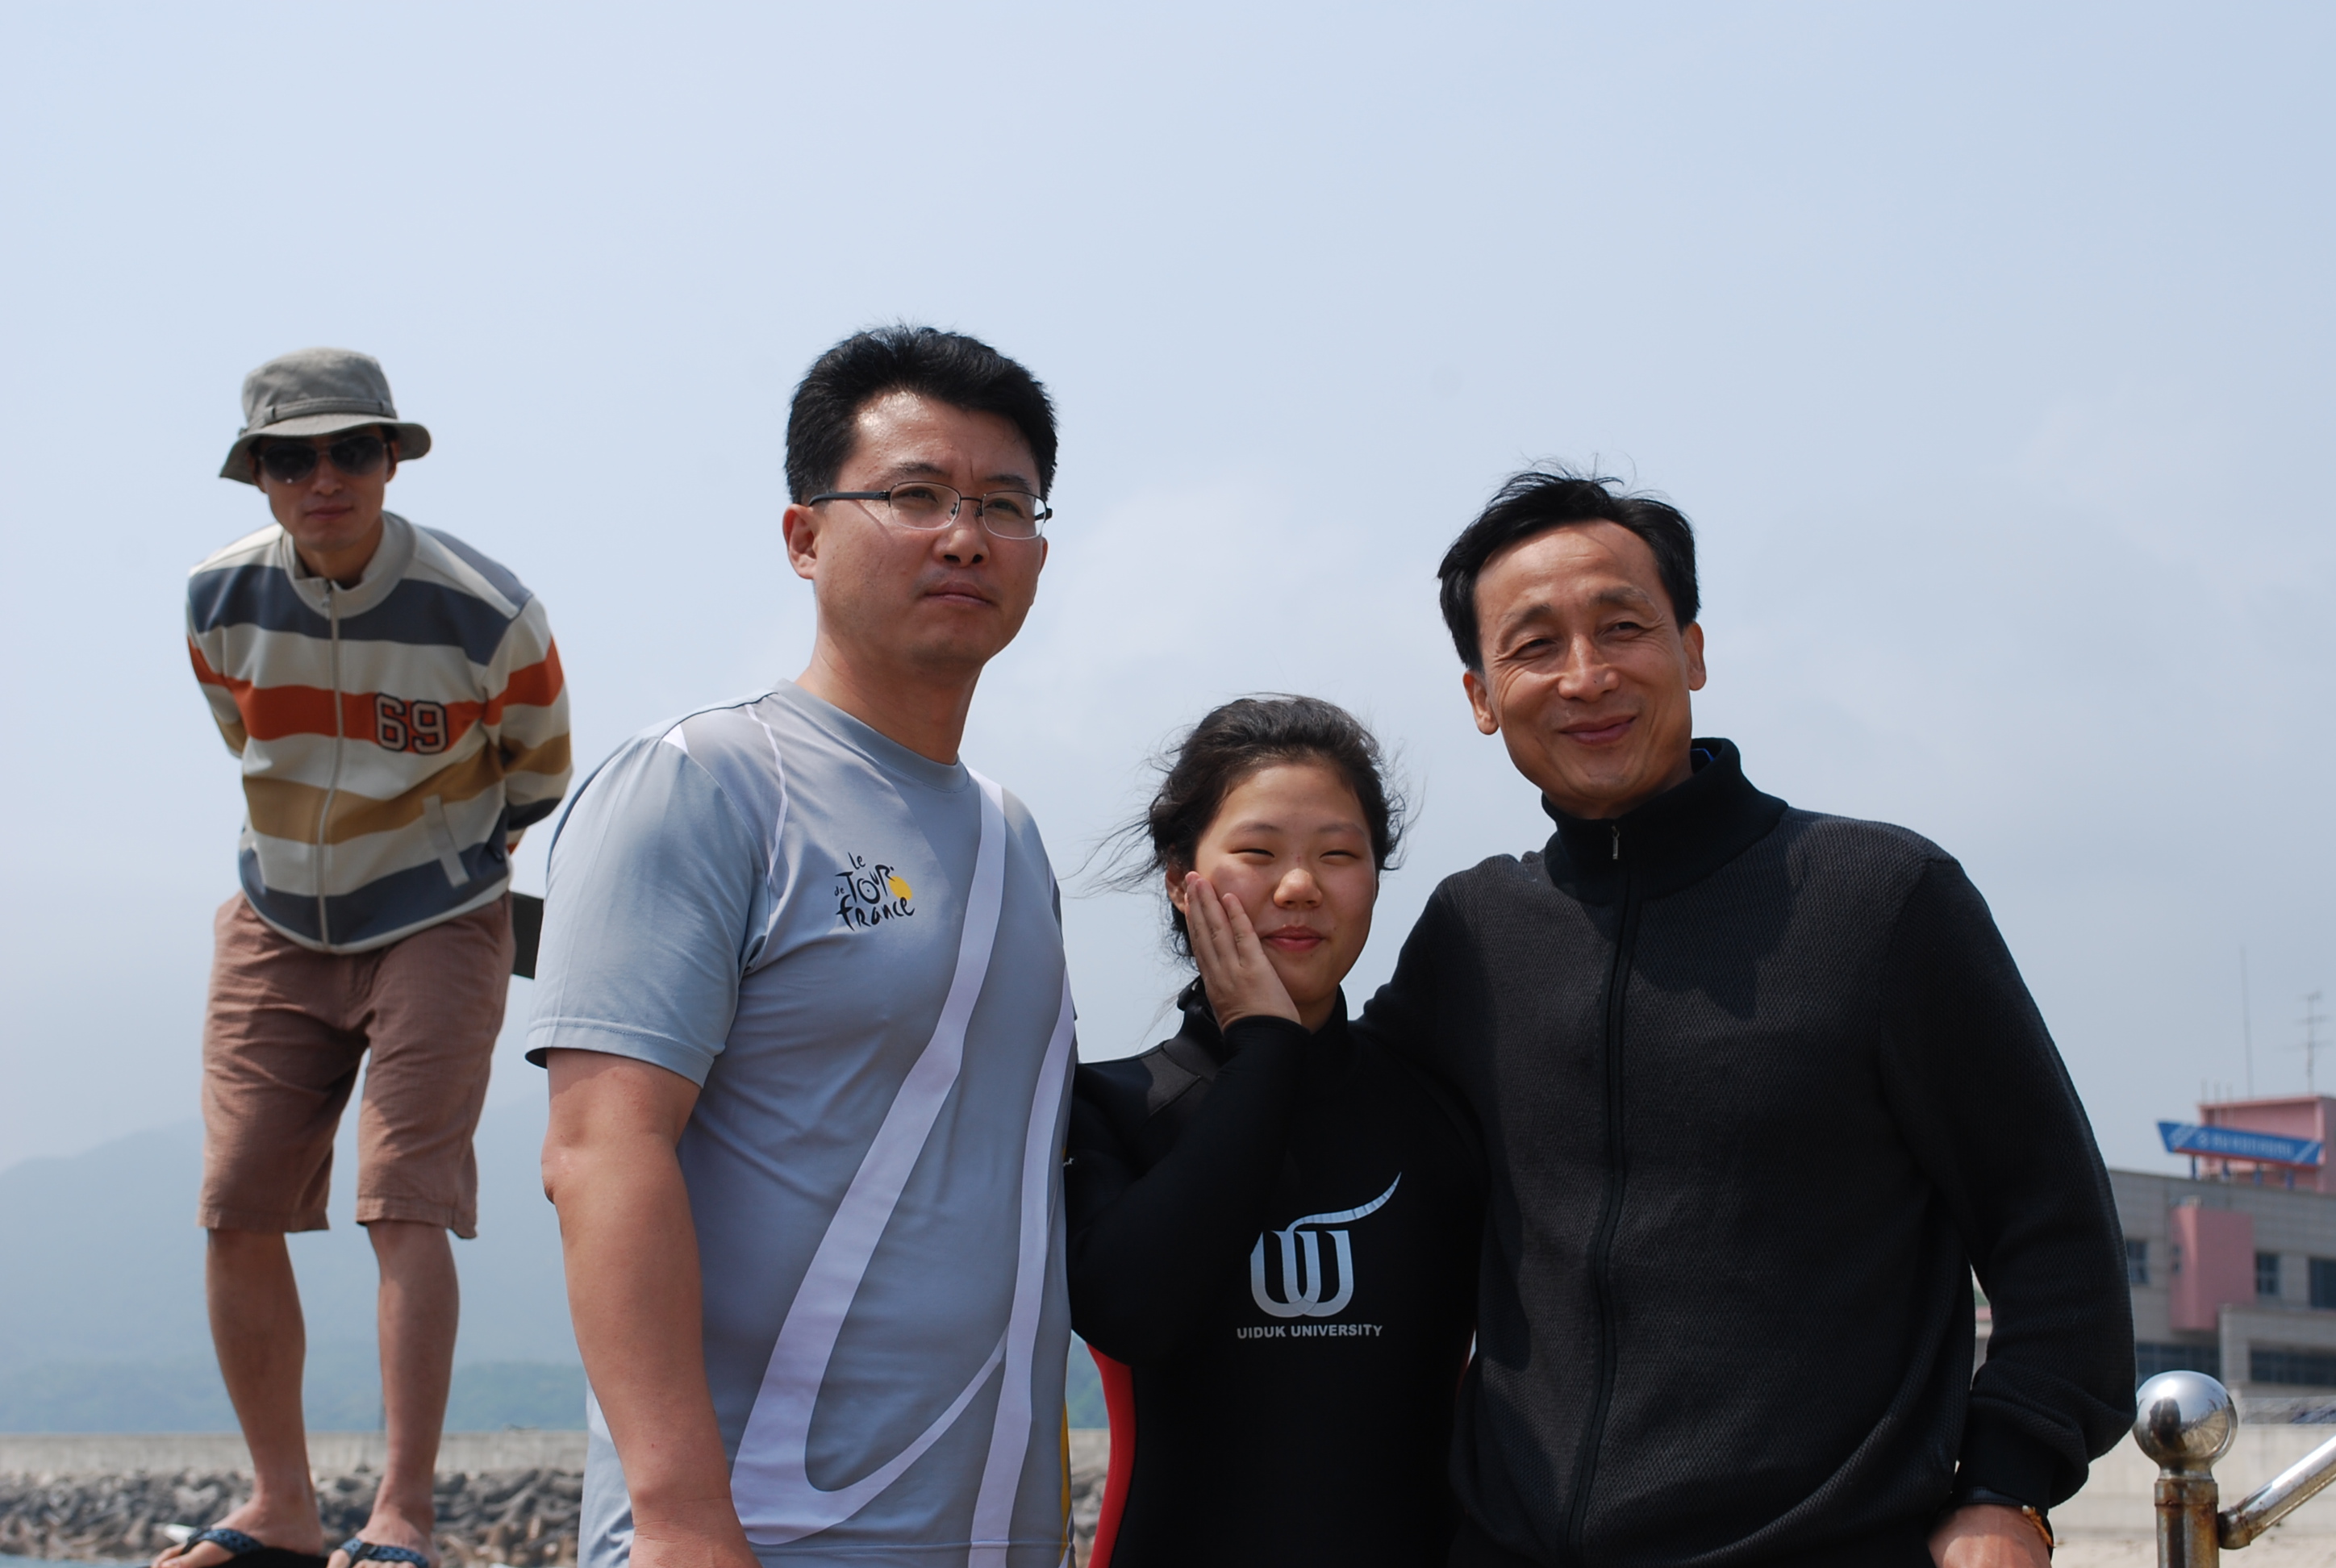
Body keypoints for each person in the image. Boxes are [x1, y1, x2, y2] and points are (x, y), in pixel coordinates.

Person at [1356, 469, 2134, 1568]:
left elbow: (2053, 1231)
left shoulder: (1879, 897)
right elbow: (1332, 1131)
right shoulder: (1471, 935)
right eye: (1533, 646)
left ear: (1693, 651)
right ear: (1482, 697)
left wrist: (2008, 1490)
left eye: (1623, 626)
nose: (1586, 675)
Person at [530, 325, 1075, 1568]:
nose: (965, 536)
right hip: (755, 1534)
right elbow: (600, 1151)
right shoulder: (706, 782)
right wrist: (679, 1519)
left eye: (1005, 505)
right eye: (915, 495)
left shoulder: (1013, 836)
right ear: (804, 536)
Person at [169, 348, 572, 1568]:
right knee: (237, 1204)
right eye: (292, 460)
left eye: (352, 450)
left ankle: (403, 1516)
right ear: (259, 476)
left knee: (403, 1198)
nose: (325, 479)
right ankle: (279, 1507)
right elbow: (241, 731)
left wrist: (430, 850)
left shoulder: (485, 609)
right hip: (277, 915)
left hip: (440, 915)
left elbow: (539, 771)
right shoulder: (217, 599)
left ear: (392, 458)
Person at [1066, 697, 1483, 1567]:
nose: (1299, 888)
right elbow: (1132, 1315)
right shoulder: (1108, 1106)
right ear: (1180, 878)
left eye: (1339, 855)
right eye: (1257, 854)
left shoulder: (1442, 1101)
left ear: (1375, 879)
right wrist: (1263, 1047)